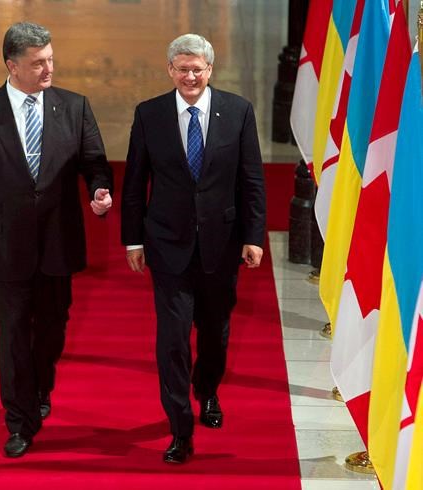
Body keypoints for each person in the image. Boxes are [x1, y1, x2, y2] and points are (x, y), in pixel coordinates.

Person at [0, 21, 113, 458]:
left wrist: (99, 190)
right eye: (38, 63)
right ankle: (19, 421)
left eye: (51, 59)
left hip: (59, 239)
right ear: (12, 65)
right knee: (15, 333)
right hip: (7, 244)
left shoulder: (74, 107)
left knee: (52, 329)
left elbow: (95, 163)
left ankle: (40, 386)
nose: (49, 69)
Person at [121, 33, 266, 464]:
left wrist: (253, 236)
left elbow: (252, 180)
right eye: (182, 69)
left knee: (215, 333)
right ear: (170, 70)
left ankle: (208, 390)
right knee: (172, 338)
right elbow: (135, 183)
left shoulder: (238, 111)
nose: (189, 76)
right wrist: (133, 239)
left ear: (210, 70)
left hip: (222, 244)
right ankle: (180, 429)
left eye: (197, 69)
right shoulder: (149, 114)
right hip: (168, 244)